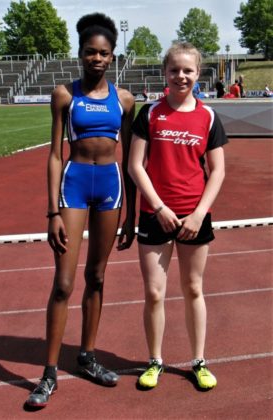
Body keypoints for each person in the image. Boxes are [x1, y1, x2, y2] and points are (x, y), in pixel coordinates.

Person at [26, 12, 136, 408]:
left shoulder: (125, 100)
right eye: (90, 52)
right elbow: (55, 155)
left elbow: (130, 162)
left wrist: (133, 214)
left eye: (104, 53)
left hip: (110, 189)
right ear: (80, 54)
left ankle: (88, 356)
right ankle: (49, 372)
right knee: (64, 283)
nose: (97, 58)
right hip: (73, 186)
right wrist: (52, 210)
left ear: (112, 56)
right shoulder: (64, 95)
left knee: (98, 277)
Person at [128, 42, 228, 390]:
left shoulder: (208, 116)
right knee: (154, 293)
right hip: (156, 213)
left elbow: (217, 171)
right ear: (164, 73)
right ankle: (155, 361)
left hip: (194, 216)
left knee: (193, 288)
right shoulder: (151, 113)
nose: (181, 76)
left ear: (198, 74)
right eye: (174, 70)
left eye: (188, 70)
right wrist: (159, 207)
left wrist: (199, 213)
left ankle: (198, 360)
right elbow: (134, 166)